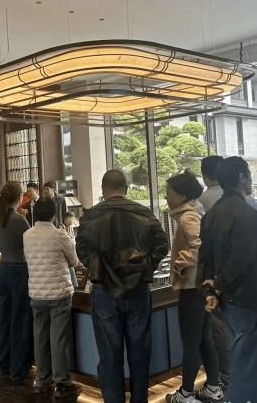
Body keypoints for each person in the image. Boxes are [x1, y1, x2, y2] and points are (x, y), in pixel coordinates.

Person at [76, 170, 168, 403]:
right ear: (126, 188)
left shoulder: (91, 215)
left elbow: (82, 250)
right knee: (140, 354)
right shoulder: (144, 212)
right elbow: (162, 245)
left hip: (103, 290)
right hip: (138, 289)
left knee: (109, 356)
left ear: (103, 189)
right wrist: (144, 269)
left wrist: (101, 269)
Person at [197, 157, 257, 403]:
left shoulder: (211, 213)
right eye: (249, 175)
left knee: (250, 362)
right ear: (242, 177)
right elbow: (244, 258)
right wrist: (219, 285)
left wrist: (210, 291)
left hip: (227, 300)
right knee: (246, 367)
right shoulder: (246, 212)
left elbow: (204, 258)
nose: (251, 180)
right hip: (249, 297)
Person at [164, 171, 222, 403]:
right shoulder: (195, 211)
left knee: (190, 343)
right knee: (204, 340)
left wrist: (180, 263)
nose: (166, 197)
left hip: (191, 287)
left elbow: (199, 246)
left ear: (182, 195)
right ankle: (213, 387)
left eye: (169, 193)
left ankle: (186, 393)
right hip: (199, 286)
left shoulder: (188, 217)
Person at [23, 197, 82, 398]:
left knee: (40, 337)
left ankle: (41, 380)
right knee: (58, 339)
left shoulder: (27, 235)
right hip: (59, 295)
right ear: (53, 214)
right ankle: (62, 382)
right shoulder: (60, 235)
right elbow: (74, 261)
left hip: (36, 293)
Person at [0, 181, 33, 381]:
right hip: (19, 270)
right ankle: (18, 368)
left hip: (4, 269)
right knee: (20, 319)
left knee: (4, 317)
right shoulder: (20, 220)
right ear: (18, 198)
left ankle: (2, 363)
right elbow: (31, 245)